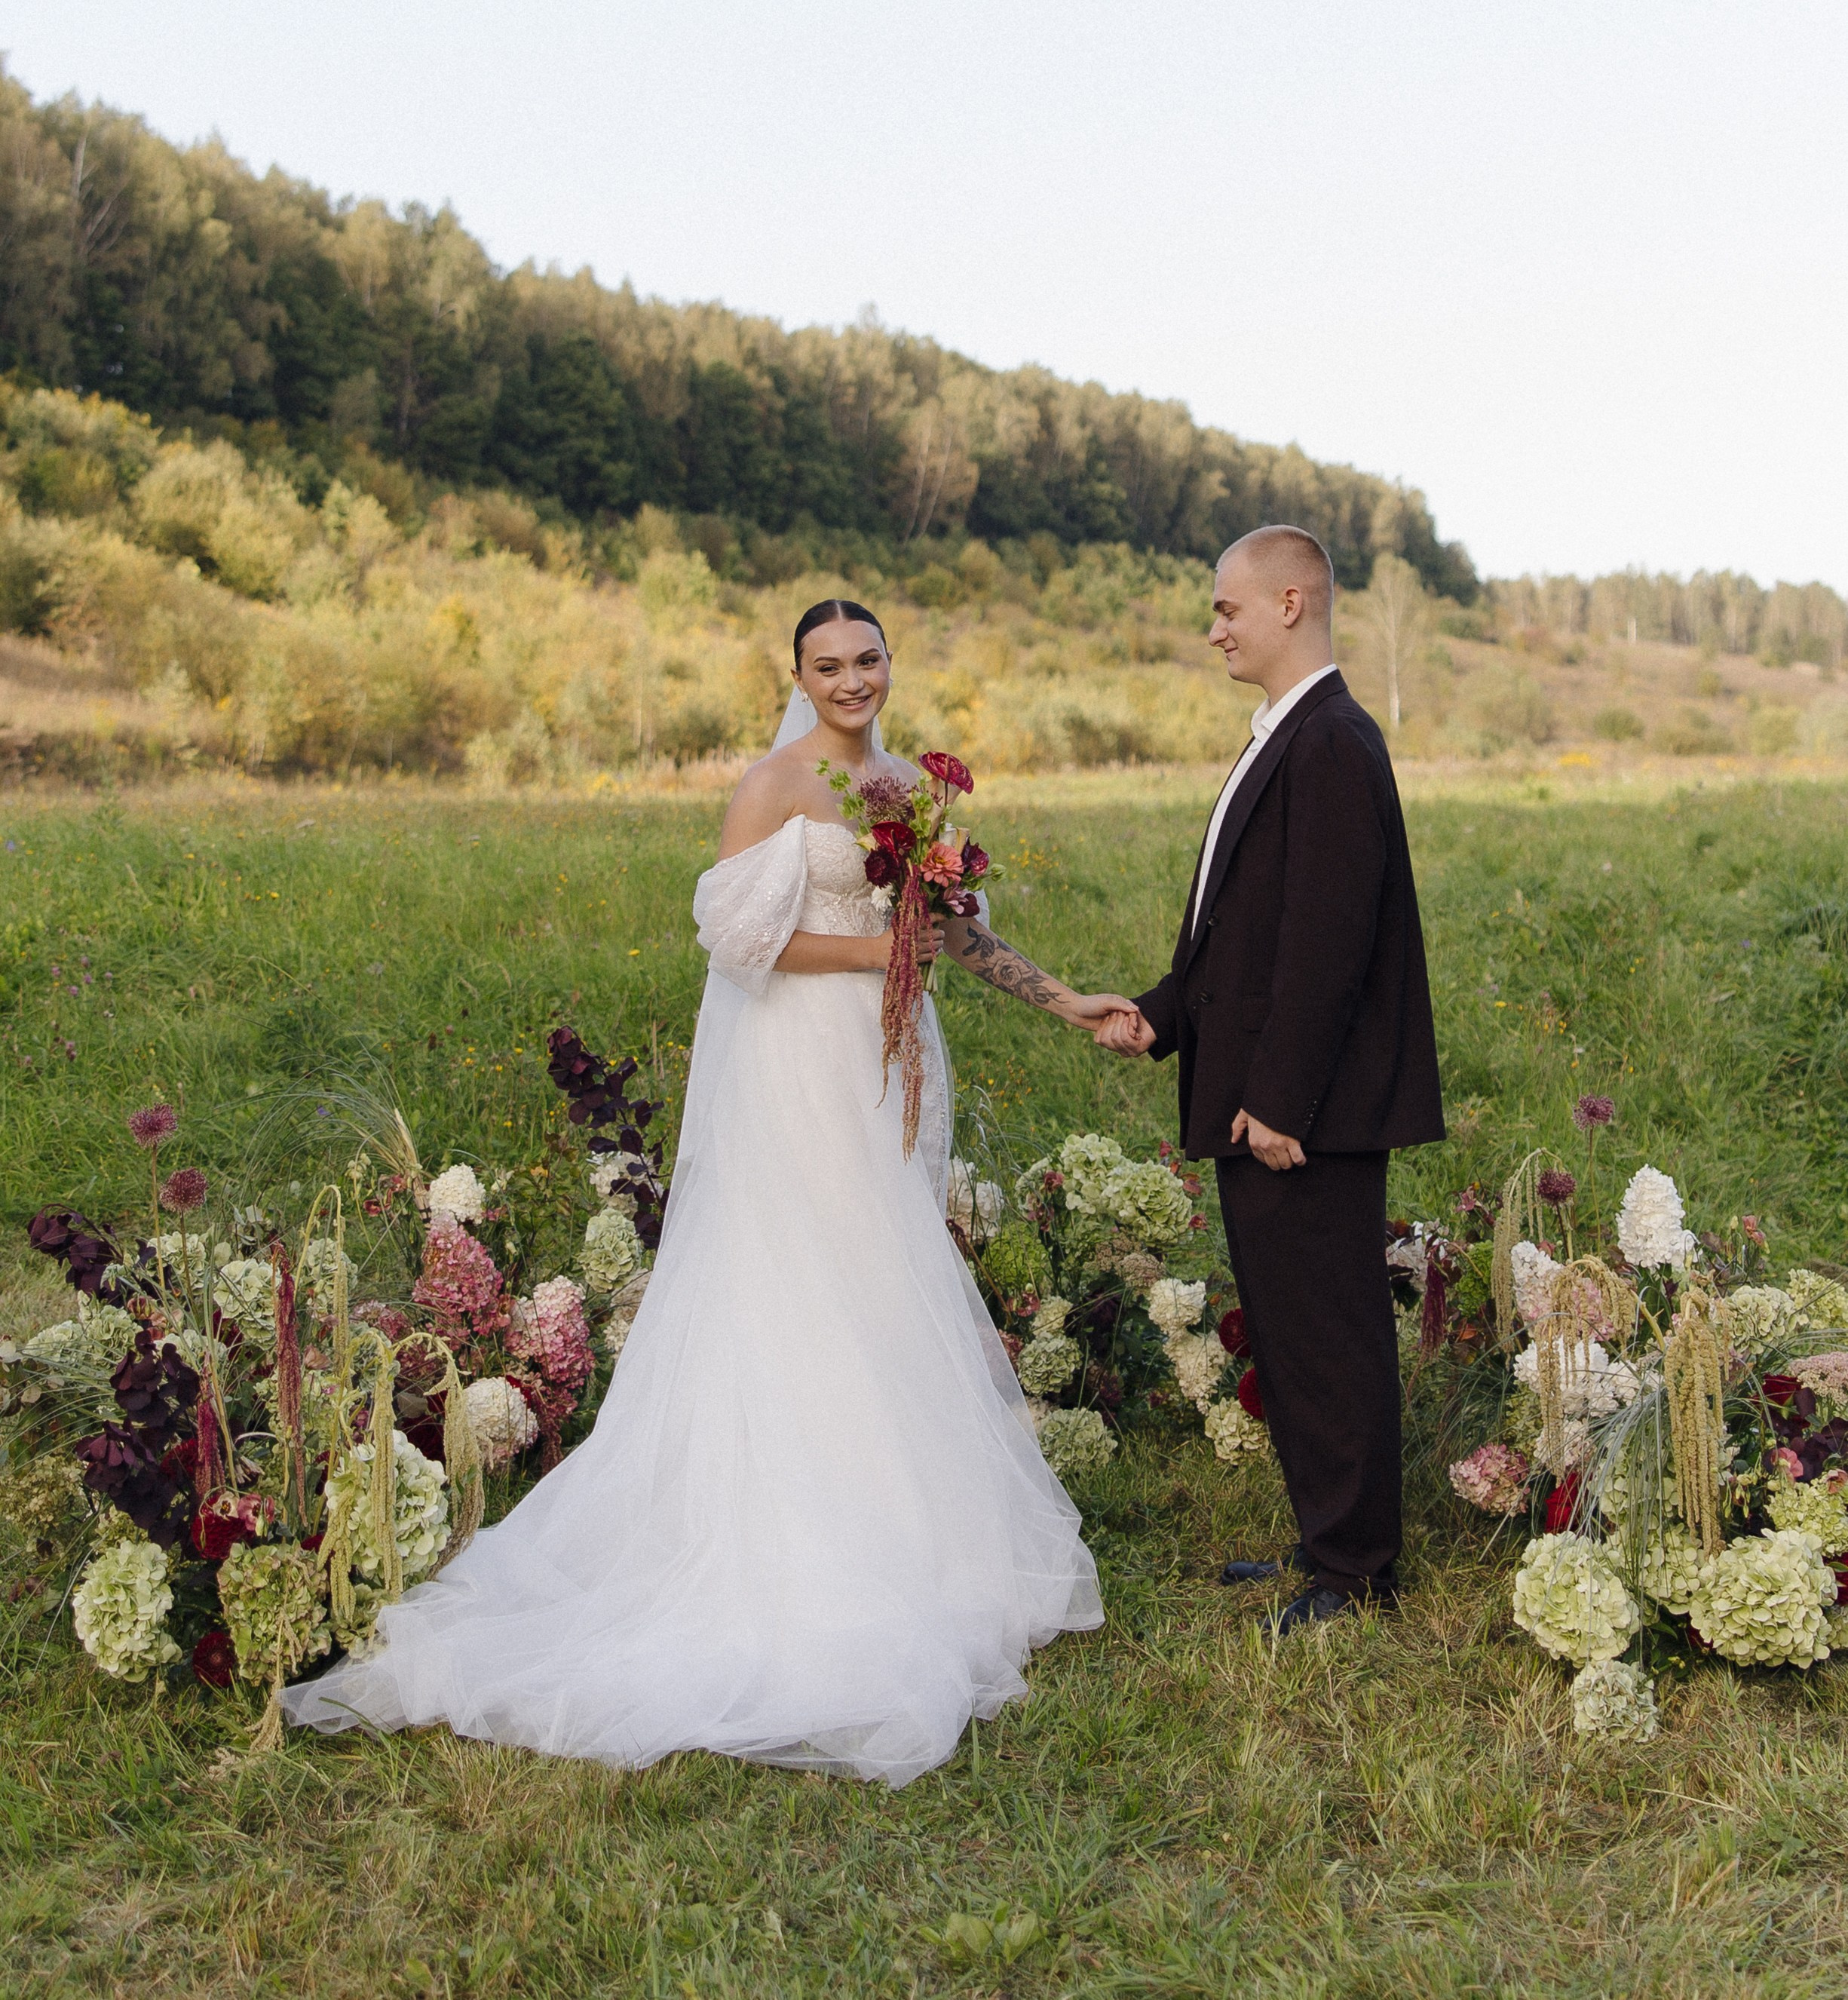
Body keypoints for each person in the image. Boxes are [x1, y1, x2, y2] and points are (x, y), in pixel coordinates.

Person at [283, 600, 1133, 1784]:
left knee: (884, 1280)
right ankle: (788, 1543)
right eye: (828, 664)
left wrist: (1069, 999)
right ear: (796, 673)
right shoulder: (774, 785)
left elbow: (954, 932)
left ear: (892, 665)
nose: (852, 679)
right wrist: (884, 951)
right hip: (799, 1063)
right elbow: (743, 941)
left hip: (887, 1061)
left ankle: (899, 1528)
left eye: (869, 659)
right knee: (809, 1277)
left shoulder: (907, 790)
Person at [1095, 527, 1444, 1632]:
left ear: (1291, 602)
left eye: (1228, 608)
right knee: (1290, 1324)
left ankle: (1358, 1569)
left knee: (1329, 1327)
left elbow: (1328, 939)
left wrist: (1283, 1098)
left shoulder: (1334, 738)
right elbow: (1241, 931)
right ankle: (1323, 1534)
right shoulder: (1286, 736)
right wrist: (1158, 1015)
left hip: (1307, 1111)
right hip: (1268, 1094)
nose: (1215, 628)